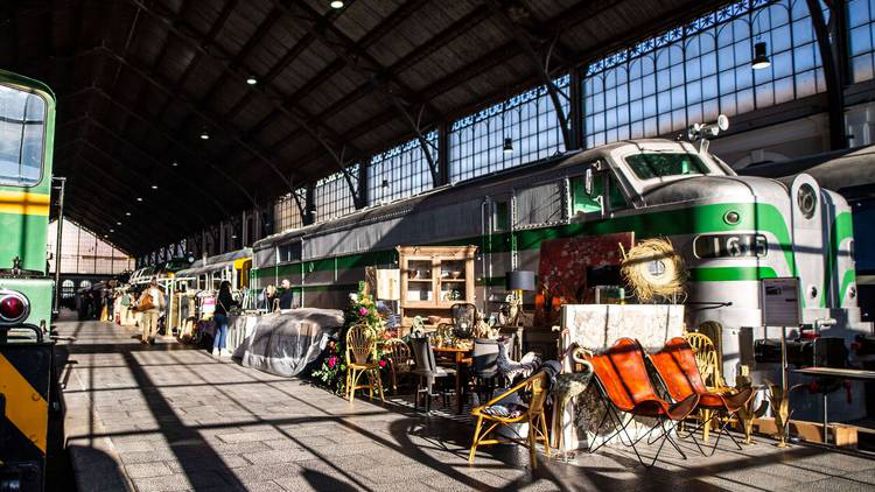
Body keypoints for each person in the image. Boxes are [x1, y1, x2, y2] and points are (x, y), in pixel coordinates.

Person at [213, 280, 238, 357]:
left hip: (216, 314)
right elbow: (231, 303)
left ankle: (215, 349)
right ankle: (223, 349)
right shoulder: (227, 294)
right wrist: (237, 302)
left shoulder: (220, 294)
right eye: (229, 286)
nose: (230, 288)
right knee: (224, 331)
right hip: (222, 315)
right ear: (227, 287)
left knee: (218, 332)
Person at [139, 279, 166, 345]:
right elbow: (162, 302)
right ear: (156, 285)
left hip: (147, 309)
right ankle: (152, 338)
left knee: (146, 324)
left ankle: (144, 339)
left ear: (150, 284)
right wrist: (162, 309)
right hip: (156, 310)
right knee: (154, 325)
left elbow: (141, 299)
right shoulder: (159, 292)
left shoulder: (146, 291)